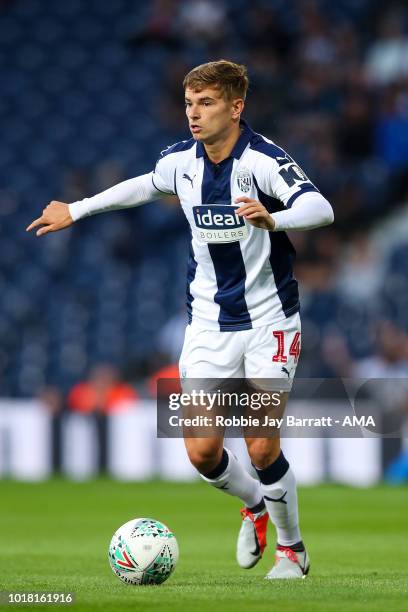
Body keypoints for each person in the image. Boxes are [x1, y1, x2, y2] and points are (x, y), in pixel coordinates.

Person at [26, 60, 334, 579]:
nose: (194, 113)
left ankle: (292, 550)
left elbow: (320, 208)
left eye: (207, 103)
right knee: (202, 452)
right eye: (189, 102)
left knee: (260, 444)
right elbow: (143, 186)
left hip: (269, 320)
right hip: (208, 324)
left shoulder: (263, 161)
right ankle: (256, 507)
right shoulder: (180, 161)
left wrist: (274, 216)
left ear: (236, 108)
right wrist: (75, 210)